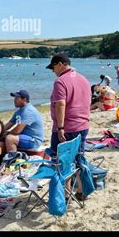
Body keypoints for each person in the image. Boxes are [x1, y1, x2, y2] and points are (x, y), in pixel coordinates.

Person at [46, 53, 91, 201]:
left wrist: (60, 127)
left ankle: (65, 194)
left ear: (60, 64)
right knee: (78, 158)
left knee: (62, 161)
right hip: (83, 125)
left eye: (53, 68)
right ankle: (81, 190)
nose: (53, 72)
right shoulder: (83, 79)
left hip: (67, 127)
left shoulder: (60, 82)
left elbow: (61, 104)